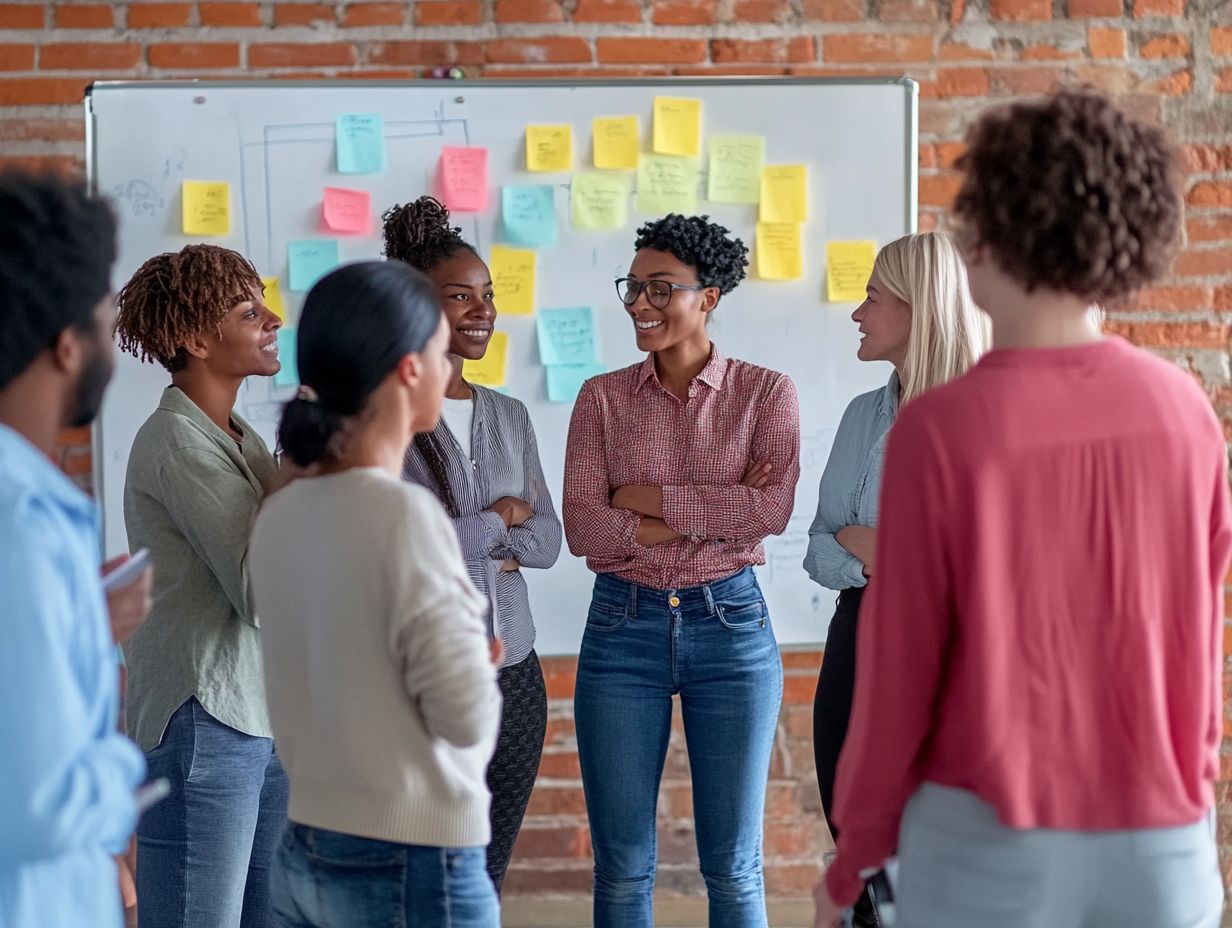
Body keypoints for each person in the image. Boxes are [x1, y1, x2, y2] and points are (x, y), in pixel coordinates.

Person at [814, 89, 1230, 928]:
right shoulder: (1184, 409)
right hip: (1164, 838)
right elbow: (1197, 642)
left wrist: (849, 864)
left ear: (984, 237)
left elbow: (899, 680)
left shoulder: (941, 427)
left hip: (986, 841)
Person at [564, 214, 800, 928]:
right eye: (632, 288)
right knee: (623, 867)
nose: (640, 303)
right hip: (621, 626)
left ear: (710, 296)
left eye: (660, 289)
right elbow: (583, 526)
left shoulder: (767, 394)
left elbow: (772, 513)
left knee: (733, 866)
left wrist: (646, 504)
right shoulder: (601, 398)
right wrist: (719, 510)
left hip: (731, 628)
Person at [249, 261, 502, 928]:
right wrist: (478, 658)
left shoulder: (281, 512)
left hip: (303, 848)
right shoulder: (404, 517)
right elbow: (466, 718)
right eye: (441, 347)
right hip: (413, 862)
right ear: (409, 368)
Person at [803, 232, 985, 925]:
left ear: (920, 308)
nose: (857, 312)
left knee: (934, 851)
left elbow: (977, 561)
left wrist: (886, 552)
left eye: (873, 297)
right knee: (852, 830)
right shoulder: (860, 416)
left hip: (946, 648)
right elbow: (820, 547)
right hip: (856, 634)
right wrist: (878, 554)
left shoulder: (983, 417)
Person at [383, 196, 562, 892]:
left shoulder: (509, 415)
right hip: (419, 675)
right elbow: (415, 551)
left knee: (485, 873)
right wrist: (499, 523)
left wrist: (486, 541)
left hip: (513, 670)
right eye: (460, 296)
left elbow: (547, 540)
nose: (482, 310)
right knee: (419, 869)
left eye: (488, 294)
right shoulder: (385, 420)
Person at [115, 245, 292, 928]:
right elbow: (262, 591)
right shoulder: (174, 440)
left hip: (256, 714)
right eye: (250, 311)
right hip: (205, 719)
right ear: (194, 340)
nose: (272, 319)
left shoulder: (240, 436)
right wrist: (307, 465)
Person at [0, 172, 149, 928]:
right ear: (67, 344)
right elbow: (39, 804)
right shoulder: (21, 518)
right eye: (103, 312)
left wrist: (83, 629)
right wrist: (128, 778)